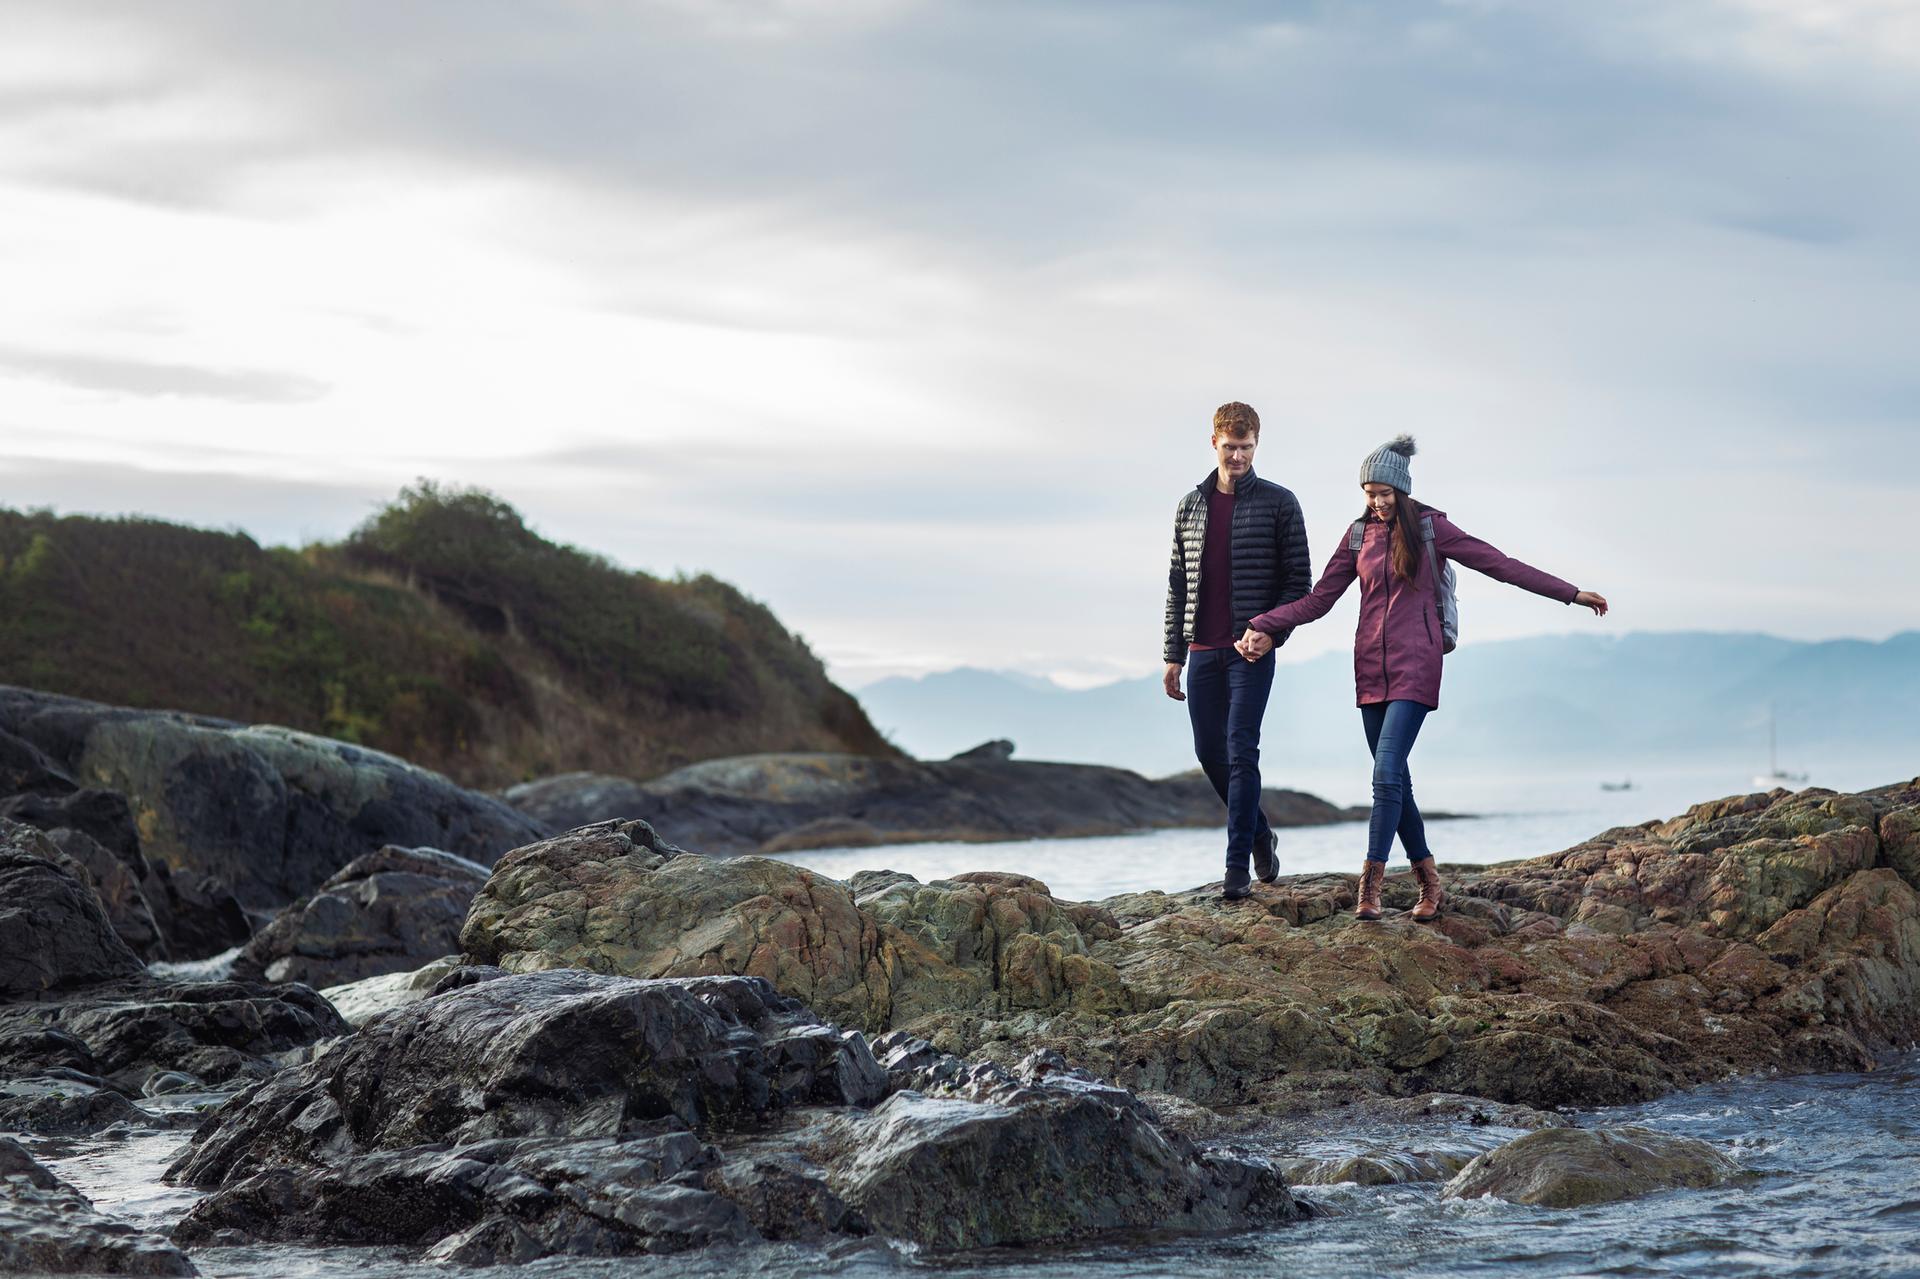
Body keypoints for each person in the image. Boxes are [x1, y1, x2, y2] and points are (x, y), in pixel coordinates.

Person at [1236, 435, 1607, 922]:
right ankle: (1429, 882)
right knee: (1398, 783)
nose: (1376, 501)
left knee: (1385, 773)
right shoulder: (1357, 536)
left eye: (1384, 493)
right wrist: (1265, 621)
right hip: (1369, 667)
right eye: (1369, 492)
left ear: (1403, 491)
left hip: (1417, 663)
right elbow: (1318, 600)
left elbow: (1500, 564)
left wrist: (1570, 593)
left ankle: (1370, 886)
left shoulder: (1432, 530)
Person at [1163, 402, 1312, 900]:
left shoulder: (1280, 503)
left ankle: (1236, 871)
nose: (1238, 456)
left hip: (1251, 649)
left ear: (1257, 444)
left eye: (1246, 447)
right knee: (1210, 752)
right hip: (1202, 648)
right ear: (1214, 443)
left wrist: (1271, 631)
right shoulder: (1190, 505)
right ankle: (1260, 834)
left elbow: (1298, 584)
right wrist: (1172, 655)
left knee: (1241, 750)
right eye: (1230, 447)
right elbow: (1177, 584)